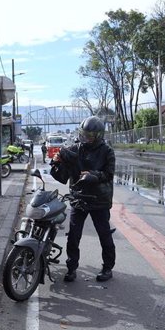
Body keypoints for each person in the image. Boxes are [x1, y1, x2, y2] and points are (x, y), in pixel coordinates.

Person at [50, 116, 116, 282]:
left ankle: (107, 268)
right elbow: (62, 177)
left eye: (90, 135)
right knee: (73, 235)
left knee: (104, 235)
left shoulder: (107, 151)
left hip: (99, 199)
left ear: (99, 136)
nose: (85, 138)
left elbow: (109, 174)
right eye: (84, 134)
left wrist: (93, 175)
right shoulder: (75, 149)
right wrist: (56, 164)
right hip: (79, 198)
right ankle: (71, 268)